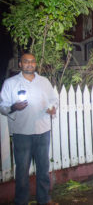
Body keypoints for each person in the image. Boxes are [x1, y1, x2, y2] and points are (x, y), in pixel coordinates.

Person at [0, 53, 58, 205]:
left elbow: (54, 100)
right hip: (22, 132)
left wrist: (52, 108)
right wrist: (14, 106)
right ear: (20, 64)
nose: (29, 64)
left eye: (32, 62)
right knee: (22, 170)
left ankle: (44, 199)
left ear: (35, 64)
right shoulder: (10, 83)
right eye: (26, 61)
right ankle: (21, 201)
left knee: (43, 168)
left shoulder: (44, 82)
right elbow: (2, 106)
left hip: (43, 130)